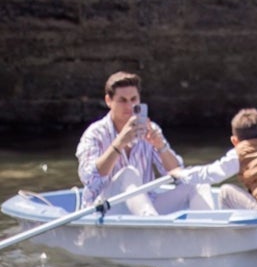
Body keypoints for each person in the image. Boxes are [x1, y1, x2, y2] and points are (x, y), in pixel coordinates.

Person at [76, 71, 200, 215]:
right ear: (108, 101)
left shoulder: (149, 129)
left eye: (134, 99)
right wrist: (119, 143)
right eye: (122, 100)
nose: (129, 106)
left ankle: (209, 234)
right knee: (128, 173)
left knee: (196, 182)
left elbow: (179, 176)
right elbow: (89, 179)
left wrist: (161, 146)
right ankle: (152, 225)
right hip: (105, 210)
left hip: (146, 205)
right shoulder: (94, 133)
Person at [169, 108, 257, 210]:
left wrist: (180, 173)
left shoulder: (239, 153)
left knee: (225, 191)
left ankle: (228, 240)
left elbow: (211, 174)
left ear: (234, 141)